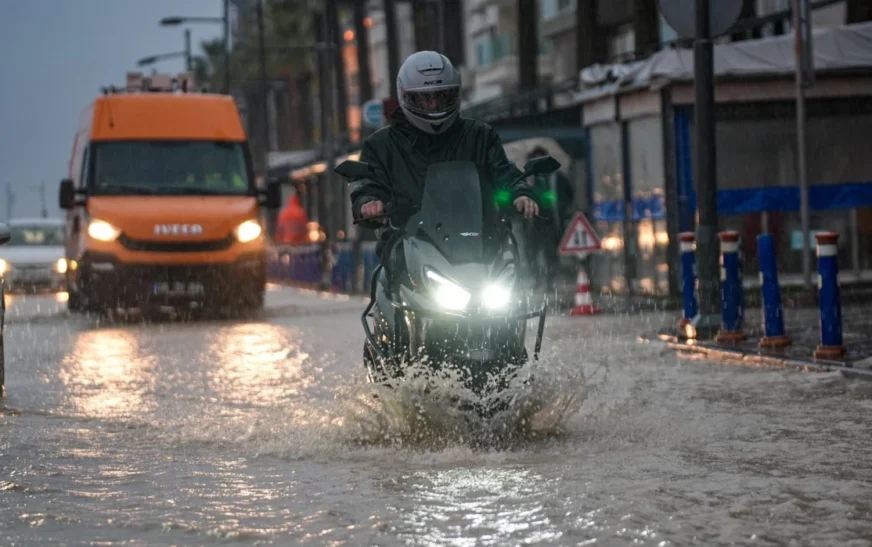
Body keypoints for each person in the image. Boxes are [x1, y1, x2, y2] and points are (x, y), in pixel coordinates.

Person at [349, 50, 539, 288]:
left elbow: (503, 172)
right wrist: (369, 202)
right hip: (410, 243)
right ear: (405, 97)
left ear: (455, 94)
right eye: (424, 99)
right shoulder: (381, 145)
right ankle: (397, 321)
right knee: (396, 281)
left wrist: (520, 193)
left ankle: (511, 323)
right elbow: (367, 184)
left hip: (478, 241)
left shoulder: (480, 135)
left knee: (510, 288)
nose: (433, 105)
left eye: (441, 96)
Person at [518, 146, 575, 291]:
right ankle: (537, 280)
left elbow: (568, 196)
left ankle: (549, 282)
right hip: (531, 223)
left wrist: (560, 207)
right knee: (531, 254)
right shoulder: (524, 179)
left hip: (550, 222)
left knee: (550, 255)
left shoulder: (558, 178)